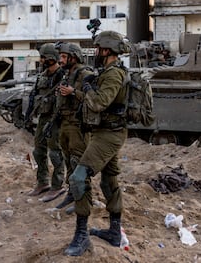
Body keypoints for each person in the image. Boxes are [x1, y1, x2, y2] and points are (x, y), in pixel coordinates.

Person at [64, 31, 131, 256]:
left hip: (108, 135)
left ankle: (81, 236)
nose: (95, 53)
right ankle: (114, 231)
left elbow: (100, 103)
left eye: (98, 49)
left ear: (106, 50)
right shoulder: (109, 71)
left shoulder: (113, 75)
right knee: (109, 180)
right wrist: (84, 91)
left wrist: (89, 89)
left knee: (78, 177)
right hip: (105, 131)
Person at [52, 42, 94, 210]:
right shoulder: (67, 75)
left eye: (63, 57)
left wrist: (73, 92)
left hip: (78, 125)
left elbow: (94, 99)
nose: (60, 60)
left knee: (79, 162)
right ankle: (72, 194)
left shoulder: (86, 74)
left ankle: (83, 200)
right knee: (69, 161)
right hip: (65, 123)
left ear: (73, 57)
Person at [27, 43, 66, 202]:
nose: (41, 60)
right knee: (38, 151)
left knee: (55, 153)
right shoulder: (42, 75)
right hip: (43, 117)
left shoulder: (62, 75)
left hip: (56, 118)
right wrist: (28, 115)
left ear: (51, 58)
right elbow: (33, 95)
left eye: (44, 57)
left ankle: (57, 185)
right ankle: (42, 182)